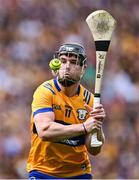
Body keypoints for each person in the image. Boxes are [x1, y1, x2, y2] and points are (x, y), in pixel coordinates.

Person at [27, 43, 105, 179]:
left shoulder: (90, 100)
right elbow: (45, 131)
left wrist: (97, 126)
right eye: (63, 61)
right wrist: (84, 127)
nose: (67, 66)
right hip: (43, 171)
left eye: (73, 62)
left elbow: (94, 150)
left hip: (78, 173)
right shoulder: (45, 92)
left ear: (83, 68)